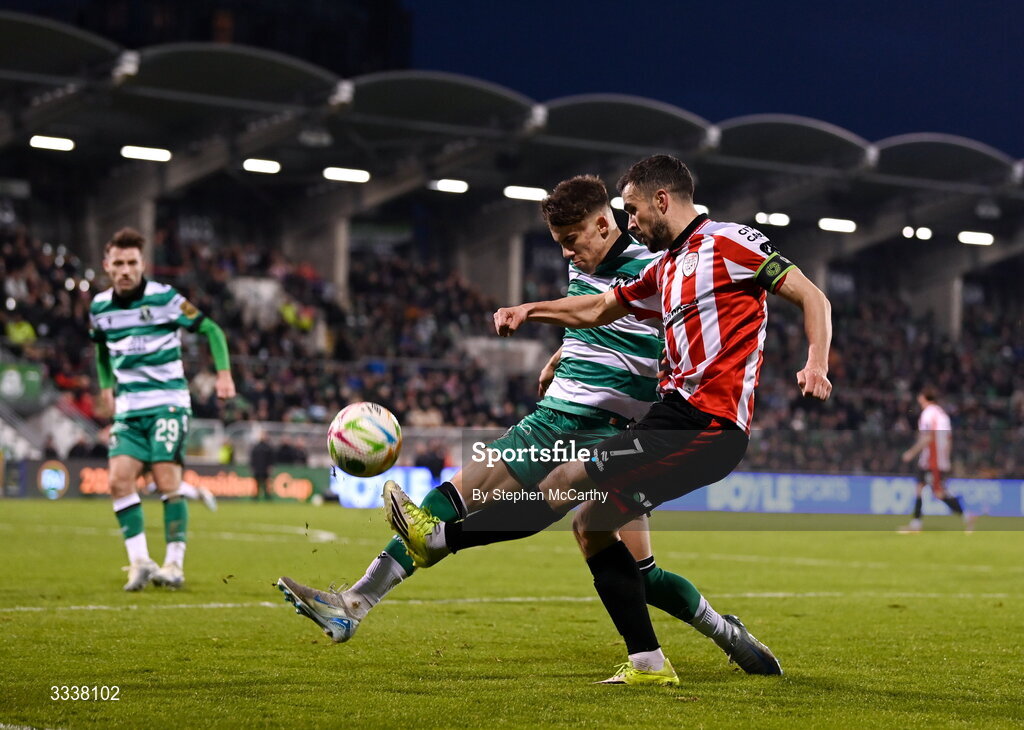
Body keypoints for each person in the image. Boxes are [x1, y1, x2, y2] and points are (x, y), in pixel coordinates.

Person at [277, 175, 782, 677]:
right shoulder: (588, 266)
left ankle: (720, 632)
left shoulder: (658, 266)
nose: (566, 254)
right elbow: (596, 314)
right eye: (559, 244)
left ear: (605, 225)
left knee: (639, 575)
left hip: (618, 427)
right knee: (447, 502)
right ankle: (354, 605)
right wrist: (564, 352)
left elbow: (671, 332)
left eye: (571, 241)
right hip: (560, 418)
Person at [384, 155, 833, 686]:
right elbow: (598, 310)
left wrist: (816, 363)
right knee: (592, 525)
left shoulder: (731, 242)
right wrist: (529, 311)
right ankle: (649, 662)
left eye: (636, 210)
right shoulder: (664, 266)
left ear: (663, 200)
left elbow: (812, 294)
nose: (633, 222)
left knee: (566, 482)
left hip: (708, 426)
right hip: (671, 418)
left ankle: (439, 541)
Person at [89, 227, 235, 591]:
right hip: (129, 409)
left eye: (132, 263)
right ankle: (139, 561)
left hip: (168, 404)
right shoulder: (99, 307)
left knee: (166, 480)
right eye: (118, 263)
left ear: (142, 264)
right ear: (107, 266)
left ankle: (174, 565)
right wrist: (106, 386)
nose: (125, 270)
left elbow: (212, 330)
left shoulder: (166, 298)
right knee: (118, 481)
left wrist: (224, 374)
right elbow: (101, 350)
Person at [898, 386, 974, 533]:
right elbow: (949, 439)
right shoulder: (943, 415)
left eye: (920, 396)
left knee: (938, 493)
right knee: (919, 488)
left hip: (931, 460)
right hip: (938, 459)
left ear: (924, 397)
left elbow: (928, 437)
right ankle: (916, 524)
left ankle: (967, 515)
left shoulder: (927, 414)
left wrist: (911, 452)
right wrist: (946, 458)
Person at [250, 429, 275, 500]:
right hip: (257, 468)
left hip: (265, 469)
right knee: (256, 484)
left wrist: (270, 467)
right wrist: (252, 466)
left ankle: (267, 497)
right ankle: (255, 497)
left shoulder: (268, 447)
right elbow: (253, 458)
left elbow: (271, 459)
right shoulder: (256, 447)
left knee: (266, 484)